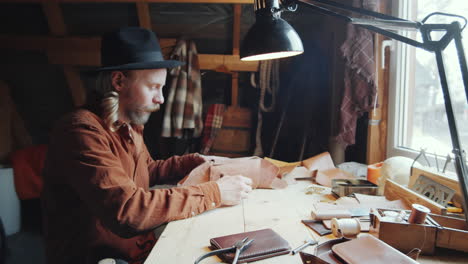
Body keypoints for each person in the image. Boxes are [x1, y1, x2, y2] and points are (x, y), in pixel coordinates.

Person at [41, 27, 253, 264]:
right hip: (94, 258)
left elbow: (146, 171)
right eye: (153, 87)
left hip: (135, 251)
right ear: (119, 81)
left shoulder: (128, 125)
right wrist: (215, 193)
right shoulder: (81, 131)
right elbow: (128, 212)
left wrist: (196, 160)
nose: (160, 98)